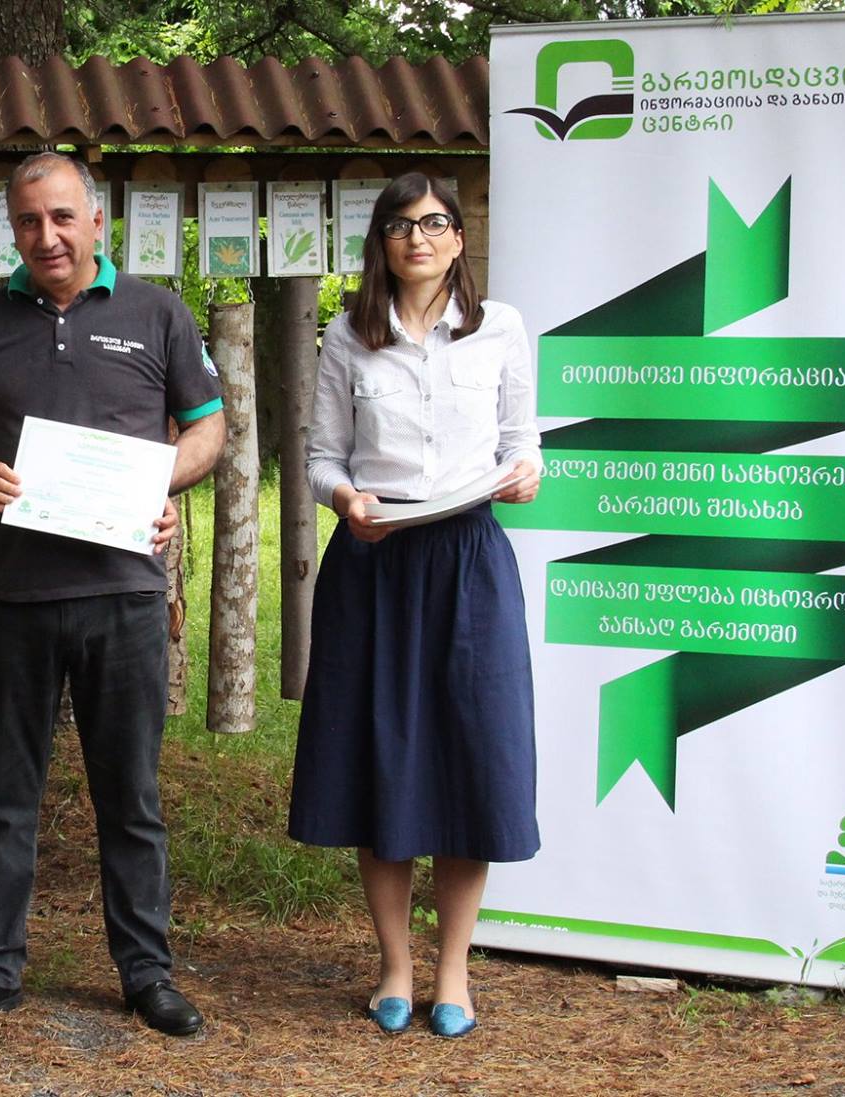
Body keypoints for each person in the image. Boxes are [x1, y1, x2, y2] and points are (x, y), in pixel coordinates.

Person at [0, 152, 227, 1037]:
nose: (45, 236)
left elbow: (208, 427)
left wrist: (165, 482)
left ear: (97, 219)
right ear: (11, 230)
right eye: (28, 221)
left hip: (123, 594)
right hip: (10, 596)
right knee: (5, 796)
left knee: (130, 797)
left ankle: (146, 972)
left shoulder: (158, 313)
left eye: (60, 216)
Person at [288, 172, 542, 1039]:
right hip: (376, 563)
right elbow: (322, 458)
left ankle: (453, 969)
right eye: (400, 225)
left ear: (459, 237)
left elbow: (522, 441)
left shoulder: (500, 327)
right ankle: (395, 964)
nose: (418, 238)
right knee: (381, 756)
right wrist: (345, 499)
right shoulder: (347, 335)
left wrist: (528, 473)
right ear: (382, 243)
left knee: (472, 758)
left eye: (434, 222)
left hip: (470, 561)